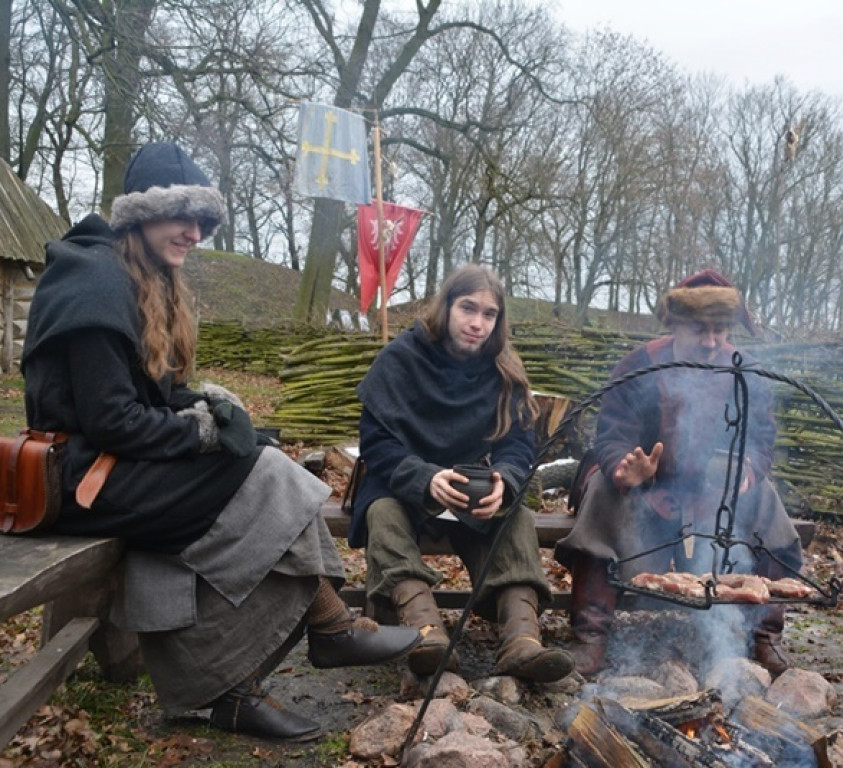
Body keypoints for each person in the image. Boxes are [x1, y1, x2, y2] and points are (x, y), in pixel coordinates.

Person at [20, 142, 420, 742]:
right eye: (182, 216)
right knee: (263, 479)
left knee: (258, 474)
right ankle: (327, 630)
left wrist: (207, 404)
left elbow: (149, 397)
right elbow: (112, 422)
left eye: (203, 220)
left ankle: (259, 677)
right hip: (79, 483)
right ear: (138, 215)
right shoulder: (93, 284)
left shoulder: (139, 277)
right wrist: (202, 432)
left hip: (117, 468)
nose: (194, 232)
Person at [554, 268, 803, 678]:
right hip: (646, 491)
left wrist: (748, 471)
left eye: (720, 330)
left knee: (767, 498)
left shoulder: (747, 371)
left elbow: (761, 441)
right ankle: (591, 636)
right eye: (698, 330)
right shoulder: (641, 363)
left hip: (710, 496)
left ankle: (764, 636)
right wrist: (626, 468)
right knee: (602, 486)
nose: (710, 342)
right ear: (675, 325)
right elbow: (612, 432)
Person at [351, 264, 574, 682]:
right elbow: (376, 443)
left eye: (489, 314)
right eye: (468, 308)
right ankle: (424, 630)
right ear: (447, 306)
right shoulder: (401, 358)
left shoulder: (503, 368)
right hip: (403, 485)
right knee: (382, 513)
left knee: (517, 515)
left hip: (470, 490)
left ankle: (521, 638)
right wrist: (425, 478)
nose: (477, 323)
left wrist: (503, 480)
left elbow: (518, 444)